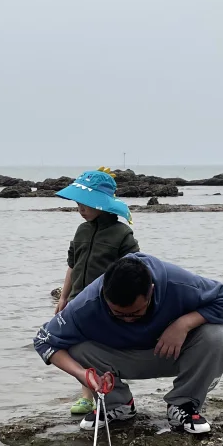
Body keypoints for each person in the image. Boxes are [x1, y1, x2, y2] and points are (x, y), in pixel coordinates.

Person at [32, 253, 223, 436]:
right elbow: (43, 340)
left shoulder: (178, 283)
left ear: (151, 291)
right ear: (104, 294)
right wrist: (81, 374)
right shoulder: (86, 304)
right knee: (75, 347)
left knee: (215, 334)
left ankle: (183, 404)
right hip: (120, 358)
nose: (128, 319)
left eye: (135, 312)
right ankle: (117, 405)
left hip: (172, 353)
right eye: (119, 314)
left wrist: (183, 324)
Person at [54, 169, 140, 415]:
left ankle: (109, 394)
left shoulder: (122, 233)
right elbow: (72, 264)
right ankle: (86, 396)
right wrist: (63, 297)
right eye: (79, 204)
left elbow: (134, 267)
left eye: (87, 204)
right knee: (76, 347)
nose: (81, 209)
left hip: (105, 303)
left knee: (98, 349)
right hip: (76, 301)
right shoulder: (81, 231)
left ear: (103, 204)